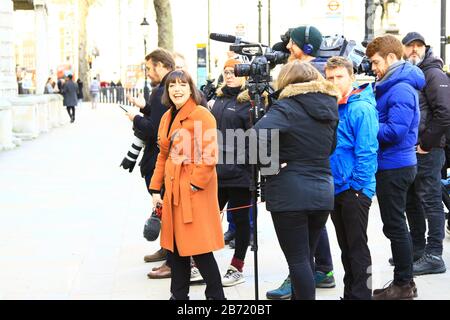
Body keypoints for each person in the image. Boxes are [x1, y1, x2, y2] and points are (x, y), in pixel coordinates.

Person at [254, 61, 339, 300]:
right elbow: (331, 147)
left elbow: (253, 138)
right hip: (323, 190)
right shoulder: (329, 105)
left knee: (298, 261)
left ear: (286, 82)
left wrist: (270, 163)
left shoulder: (286, 107)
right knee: (306, 258)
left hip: (290, 193)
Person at [149, 69, 226, 300]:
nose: (177, 89)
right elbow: (162, 155)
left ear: (191, 88)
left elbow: (210, 155)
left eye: (182, 84)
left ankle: (216, 296)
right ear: (167, 91)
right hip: (173, 189)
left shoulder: (202, 115)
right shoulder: (166, 117)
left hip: (193, 191)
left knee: (199, 248)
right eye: (172, 85)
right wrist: (155, 189)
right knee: (176, 247)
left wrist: (194, 185)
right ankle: (178, 296)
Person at [366, 34, 425, 300]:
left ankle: (403, 285)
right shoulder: (392, 84)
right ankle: (404, 282)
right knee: (396, 225)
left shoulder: (400, 88)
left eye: (376, 62)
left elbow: (395, 131)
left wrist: (367, 123)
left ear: (391, 58)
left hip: (395, 166)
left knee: (395, 226)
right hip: (394, 164)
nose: (373, 68)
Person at [325, 56, 379, 300]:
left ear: (351, 77)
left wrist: (357, 186)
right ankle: (351, 294)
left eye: (339, 77)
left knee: (357, 247)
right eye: (330, 78)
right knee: (346, 247)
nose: (334, 82)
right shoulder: (334, 105)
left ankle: (361, 295)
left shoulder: (361, 108)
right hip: (336, 187)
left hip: (355, 189)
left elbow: (367, 150)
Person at [401, 32, 450, 276]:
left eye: (418, 46)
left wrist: (427, 143)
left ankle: (434, 255)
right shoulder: (413, 74)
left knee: (430, 200)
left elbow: (444, 112)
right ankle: (418, 249)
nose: (414, 50)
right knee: (412, 199)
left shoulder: (433, 73)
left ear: (425, 49)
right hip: (413, 150)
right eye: (409, 46)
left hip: (429, 150)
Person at [124, 48, 175, 279]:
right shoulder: (164, 89)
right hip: (161, 159)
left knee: (166, 208)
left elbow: (156, 130)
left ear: (161, 65)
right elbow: (160, 116)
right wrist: (144, 108)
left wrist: (135, 117)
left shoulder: (164, 90)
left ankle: (173, 260)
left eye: (149, 68)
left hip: (159, 160)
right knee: (163, 208)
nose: (148, 73)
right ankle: (167, 250)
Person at [210, 59, 252, 286]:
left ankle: (237, 267)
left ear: (243, 75)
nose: (229, 75)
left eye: (233, 72)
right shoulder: (218, 99)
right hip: (216, 173)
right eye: (226, 72)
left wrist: (242, 163)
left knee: (241, 221)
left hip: (239, 175)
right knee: (207, 218)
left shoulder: (249, 101)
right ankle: (198, 263)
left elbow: (254, 139)